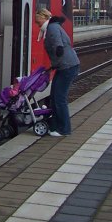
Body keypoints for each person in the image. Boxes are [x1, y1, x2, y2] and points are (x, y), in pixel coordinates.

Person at [35, 7, 79, 137]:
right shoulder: (53, 27)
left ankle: (64, 129)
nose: (37, 24)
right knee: (54, 97)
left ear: (43, 17)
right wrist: (54, 64)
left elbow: (58, 43)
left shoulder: (52, 28)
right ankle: (55, 125)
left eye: (38, 21)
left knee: (59, 98)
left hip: (67, 67)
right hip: (64, 66)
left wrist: (59, 50)